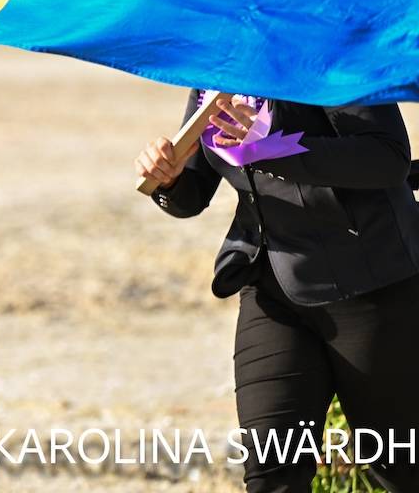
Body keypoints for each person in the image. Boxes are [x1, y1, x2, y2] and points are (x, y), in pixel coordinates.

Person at [136, 91, 419, 493]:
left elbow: (387, 157)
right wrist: (170, 177)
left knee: (401, 467)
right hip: (270, 287)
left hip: (372, 282)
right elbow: (193, 191)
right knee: (272, 473)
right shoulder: (212, 73)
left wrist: (271, 148)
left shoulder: (324, 56)